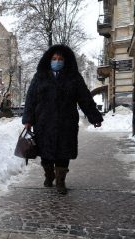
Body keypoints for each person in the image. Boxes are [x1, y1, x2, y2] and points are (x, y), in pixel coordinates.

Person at [22, 44, 103, 194]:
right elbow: (30, 99)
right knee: (46, 154)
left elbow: (85, 98)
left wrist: (94, 116)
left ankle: (60, 181)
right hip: (44, 122)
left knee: (63, 154)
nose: (57, 61)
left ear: (66, 61)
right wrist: (28, 119)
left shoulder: (74, 77)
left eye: (60, 59)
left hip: (66, 123)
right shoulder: (40, 76)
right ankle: (49, 174)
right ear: (48, 60)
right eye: (54, 58)